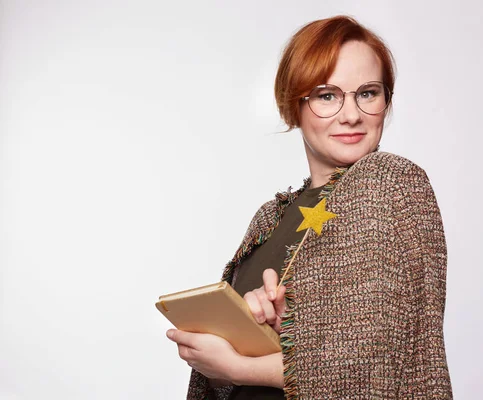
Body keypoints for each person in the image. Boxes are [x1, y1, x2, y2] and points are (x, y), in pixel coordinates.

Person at [166, 15, 453, 399]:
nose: (351, 114)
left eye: (368, 93)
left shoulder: (392, 182)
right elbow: (297, 359)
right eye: (327, 95)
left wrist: (240, 366)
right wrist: (248, 342)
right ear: (293, 104)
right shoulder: (270, 217)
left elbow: (380, 362)